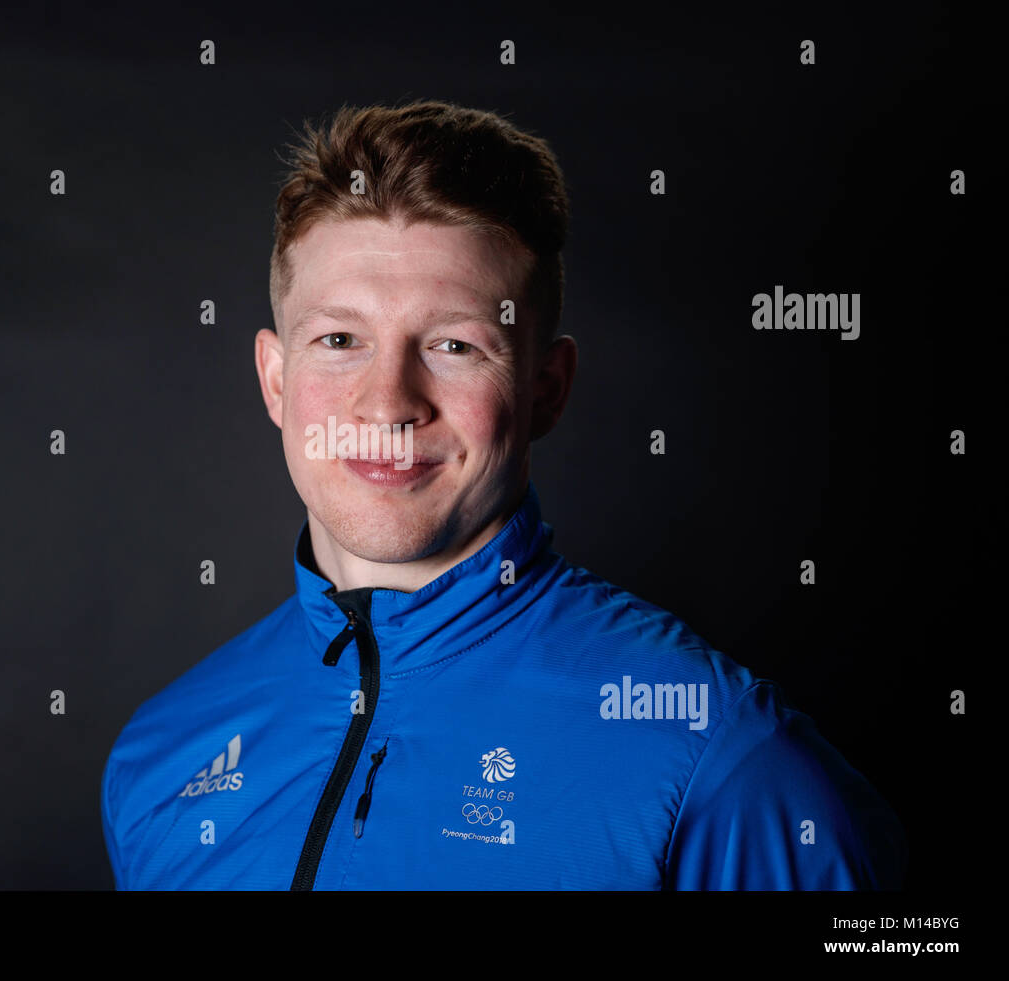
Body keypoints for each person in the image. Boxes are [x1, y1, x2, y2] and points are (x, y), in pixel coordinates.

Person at [101, 99, 906, 890]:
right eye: (340, 339)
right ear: (276, 379)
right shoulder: (164, 752)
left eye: (454, 343)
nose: (388, 404)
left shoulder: (715, 757)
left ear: (546, 389)